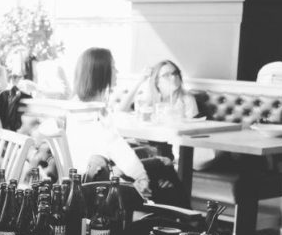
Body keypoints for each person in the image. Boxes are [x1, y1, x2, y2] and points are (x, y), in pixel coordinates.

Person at [67, 47, 192, 204]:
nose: (117, 71)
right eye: (113, 67)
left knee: (161, 181)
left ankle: (169, 211)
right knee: (163, 165)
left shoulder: (77, 106)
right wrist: (140, 177)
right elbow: (116, 148)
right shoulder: (94, 111)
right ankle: (187, 215)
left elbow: (113, 148)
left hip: (91, 177)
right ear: (101, 72)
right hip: (100, 182)